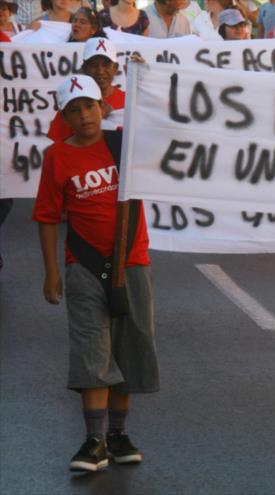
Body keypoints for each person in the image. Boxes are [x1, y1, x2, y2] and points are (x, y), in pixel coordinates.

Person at [33, 73, 158, 473]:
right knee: (92, 348)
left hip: (132, 261)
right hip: (83, 266)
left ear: (102, 107)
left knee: (128, 345)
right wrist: (52, 272)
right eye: (73, 109)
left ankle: (119, 434)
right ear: (64, 117)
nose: (84, 115)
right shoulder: (57, 157)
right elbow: (48, 216)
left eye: (89, 105)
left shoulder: (125, 145)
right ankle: (94, 440)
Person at [47, 37, 123, 143]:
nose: (100, 71)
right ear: (84, 68)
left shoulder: (130, 102)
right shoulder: (71, 103)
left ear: (115, 68)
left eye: (106, 64)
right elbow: (59, 149)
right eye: (93, 64)